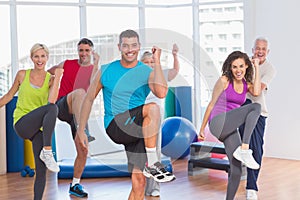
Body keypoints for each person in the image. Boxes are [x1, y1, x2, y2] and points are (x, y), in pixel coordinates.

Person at [76, 29, 176, 200]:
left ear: (139, 47)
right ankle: (153, 162)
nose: (130, 49)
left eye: (134, 45)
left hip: (139, 129)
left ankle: (150, 163)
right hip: (116, 125)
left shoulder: (147, 71)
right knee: (152, 108)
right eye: (126, 46)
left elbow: (161, 93)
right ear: (119, 47)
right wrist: (80, 130)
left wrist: (157, 62)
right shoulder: (106, 70)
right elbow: (88, 99)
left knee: (139, 182)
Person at [0, 43, 63, 200]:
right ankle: (48, 151)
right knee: (53, 109)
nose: (39, 60)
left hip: (37, 130)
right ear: (31, 58)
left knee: (41, 171)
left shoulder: (50, 79)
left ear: (47, 58)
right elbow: (8, 96)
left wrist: (58, 78)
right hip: (22, 122)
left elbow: (51, 100)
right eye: (36, 56)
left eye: (43, 56)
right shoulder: (22, 75)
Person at [198, 51, 262, 200]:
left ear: (246, 66)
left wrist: (257, 66)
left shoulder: (247, 84)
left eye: (241, 66)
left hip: (230, 127)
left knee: (236, 169)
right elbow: (211, 103)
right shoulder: (225, 80)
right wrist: (201, 129)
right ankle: (245, 149)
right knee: (255, 107)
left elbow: (257, 92)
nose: (238, 70)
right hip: (218, 122)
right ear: (230, 68)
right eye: (234, 67)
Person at [48, 38, 99, 198]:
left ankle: (75, 184)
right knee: (79, 92)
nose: (83, 53)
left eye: (86, 51)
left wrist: (96, 65)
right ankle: (82, 130)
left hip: (79, 112)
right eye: (81, 50)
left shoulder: (94, 69)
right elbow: (46, 74)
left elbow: (92, 89)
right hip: (63, 104)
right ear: (78, 51)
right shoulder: (67, 63)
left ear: (91, 51)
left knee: (83, 150)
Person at [239, 37, 276, 200]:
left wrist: (254, 67)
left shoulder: (269, 69)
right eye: (257, 48)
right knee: (238, 148)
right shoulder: (243, 63)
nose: (260, 51)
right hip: (240, 110)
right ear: (252, 49)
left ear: (267, 52)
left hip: (259, 112)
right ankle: (233, 182)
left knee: (257, 148)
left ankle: (251, 187)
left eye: (263, 49)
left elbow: (255, 92)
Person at [142, 43, 180, 197]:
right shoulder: (139, 77)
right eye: (146, 62)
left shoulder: (160, 74)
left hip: (155, 120)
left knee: (154, 154)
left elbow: (175, 71)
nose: (150, 64)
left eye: (152, 61)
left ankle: (154, 187)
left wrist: (175, 55)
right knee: (141, 154)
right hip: (141, 118)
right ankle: (142, 187)